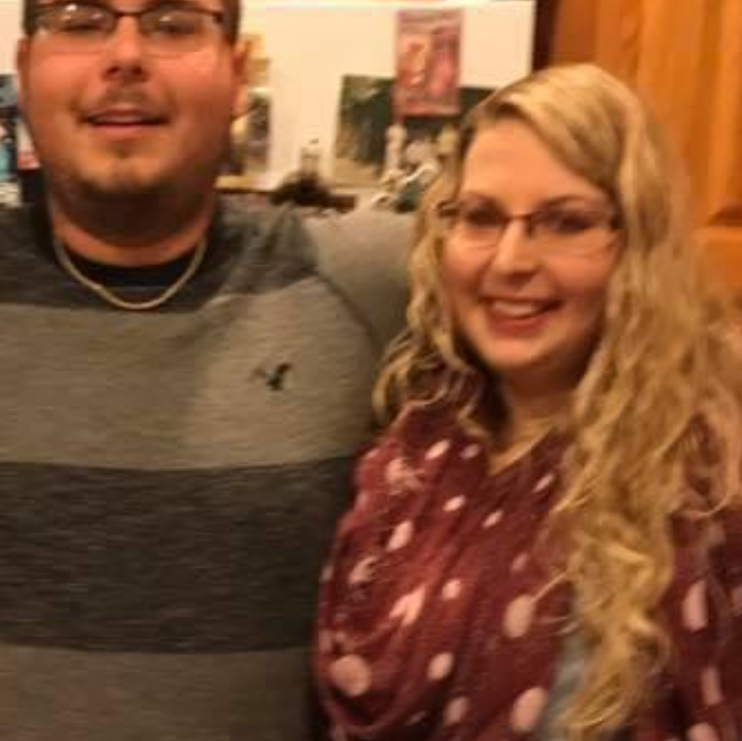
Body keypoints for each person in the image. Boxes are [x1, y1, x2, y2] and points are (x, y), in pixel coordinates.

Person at [0, 0, 409, 741]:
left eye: (172, 22)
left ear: (237, 71)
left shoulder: (371, 288)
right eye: (80, 20)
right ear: (26, 68)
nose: (125, 55)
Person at [315, 63, 742, 740]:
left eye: (565, 222)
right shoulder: (413, 451)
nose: (511, 260)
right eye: (481, 217)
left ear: (637, 242)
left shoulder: (709, 480)